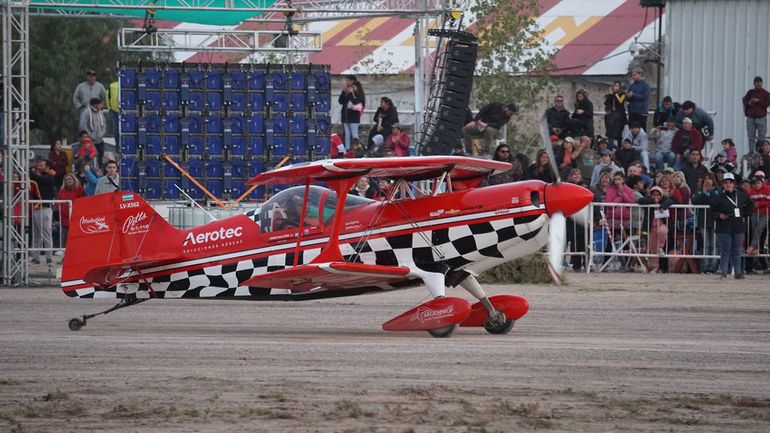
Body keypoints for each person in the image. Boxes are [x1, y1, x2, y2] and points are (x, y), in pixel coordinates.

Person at [711, 172, 753, 279]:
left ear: (734, 184)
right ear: (723, 184)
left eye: (730, 182)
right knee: (725, 250)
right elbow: (712, 211)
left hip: (738, 226)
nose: (728, 184)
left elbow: (750, 205)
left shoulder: (741, 195)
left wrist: (744, 214)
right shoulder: (718, 196)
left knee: (736, 250)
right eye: (726, 182)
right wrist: (719, 215)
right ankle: (723, 272)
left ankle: (738, 272)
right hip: (724, 227)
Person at [638, 186, 675, 272]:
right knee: (652, 248)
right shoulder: (648, 200)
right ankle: (655, 267)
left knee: (663, 231)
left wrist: (662, 206)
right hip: (651, 227)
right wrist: (652, 201)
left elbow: (671, 200)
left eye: (658, 195)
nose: (656, 197)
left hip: (661, 224)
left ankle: (660, 247)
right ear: (650, 195)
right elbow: (640, 201)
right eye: (654, 195)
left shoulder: (664, 200)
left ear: (661, 195)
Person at [28, 159, 57, 266]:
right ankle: (36, 257)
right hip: (36, 208)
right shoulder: (40, 176)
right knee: (36, 235)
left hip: (45, 208)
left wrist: (29, 170)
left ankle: (49, 258)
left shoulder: (49, 177)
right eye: (38, 164)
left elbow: (38, 179)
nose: (38, 166)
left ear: (47, 167)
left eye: (41, 165)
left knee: (46, 235)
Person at [692, 173, 720, 274]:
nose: (707, 181)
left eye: (709, 179)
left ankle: (713, 266)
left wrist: (710, 192)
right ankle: (705, 266)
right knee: (706, 244)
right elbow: (695, 202)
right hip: (703, 221)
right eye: (705, 179)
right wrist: (704, 192)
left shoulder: (717, 191)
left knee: (714, 244)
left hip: (714, 221)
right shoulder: (699, 191)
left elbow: (715, 202)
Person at [56, 174, 84, 249]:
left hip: (76, 218)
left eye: (70, 179)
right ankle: (64, 258)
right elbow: (58, 203)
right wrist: (61, 211)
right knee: (64, 240)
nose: (68, 181)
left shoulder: (79, 189)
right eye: (66, 179)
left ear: (74, 180)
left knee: (76, 240)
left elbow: (82, 202)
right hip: (64, 219)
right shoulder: (62, 191)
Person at [338, 75, 365, 150]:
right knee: (347, 134)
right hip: (346, 115)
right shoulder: (346, 90)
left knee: (354, 134)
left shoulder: (358, 90)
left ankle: (356, 149)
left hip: (354, 116)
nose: (346, 82)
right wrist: (344, 92)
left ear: (352, 81)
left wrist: (351, 93)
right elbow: (340, 101)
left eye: (348, 80)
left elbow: (356, 101)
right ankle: (347, 150)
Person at [742, 76, 770, 150]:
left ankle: (760, 152)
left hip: (761, 117)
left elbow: (767, 104)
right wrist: (749, 102)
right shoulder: (750, 92)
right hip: (751, 118)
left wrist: (758, 101)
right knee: (751, 137)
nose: (758, 84)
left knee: (761, 137)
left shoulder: (766, 93)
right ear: (754, 83)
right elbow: (744, 101)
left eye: (760, 82)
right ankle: (751, 152)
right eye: (757, 82)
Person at [746, 171, 770, 255]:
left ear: (762, 183)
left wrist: (759, 204)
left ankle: (753, 246)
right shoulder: (750, 191)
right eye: (755, 183)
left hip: (766, 213)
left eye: (758, 183)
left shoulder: (767, 189)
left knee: (759, 228)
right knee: (754, 229)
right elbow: (748, 202)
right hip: (755, 213)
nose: (757, 185)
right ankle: (756, 248)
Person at [79, 98, 106, 163]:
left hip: (100, 140)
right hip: (90, 140)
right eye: (99, 104)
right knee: (90, 157)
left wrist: (102, 133)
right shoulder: (86, 112)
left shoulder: (100, 112)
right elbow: (83, 125)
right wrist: (90, 135)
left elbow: (104, 123)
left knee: (101, 156)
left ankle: (100, 170)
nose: (101, 105)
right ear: (95, 105)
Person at [603, 81, 627, 149]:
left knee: (619, 135)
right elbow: (606, 103)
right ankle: (610, 149)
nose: (616, 87)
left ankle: (619, 150)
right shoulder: (610, 95)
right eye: (615, 86)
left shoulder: (622, 94)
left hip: (620, 118)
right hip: (611, 118)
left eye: (618, 86)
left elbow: (620, 101)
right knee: (610, 134)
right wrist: (610, 95)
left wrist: (615, 94)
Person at [107, 80, 120, 148]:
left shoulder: (127, 84)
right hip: (114, 111)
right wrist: (110, 108)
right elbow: (108, 96)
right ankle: (117, 146)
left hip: (124, 111)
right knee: (115, 129)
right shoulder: (112, 85)